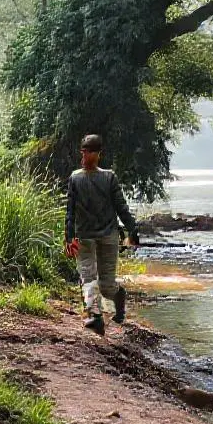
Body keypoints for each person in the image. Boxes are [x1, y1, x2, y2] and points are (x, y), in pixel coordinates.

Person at [63, 134, 139, 335]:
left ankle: (119, 299)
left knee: (106, 286)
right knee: (87, 277)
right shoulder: (75, 178)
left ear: (97, 154)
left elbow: (121, 207)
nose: (85, 154)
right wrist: (68, 238)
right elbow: (69, 211)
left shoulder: (109, 177)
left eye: (88, 151)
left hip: (108, 236)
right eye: (84, 151)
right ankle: (95, 317)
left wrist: (133, 229)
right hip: (84, 237)